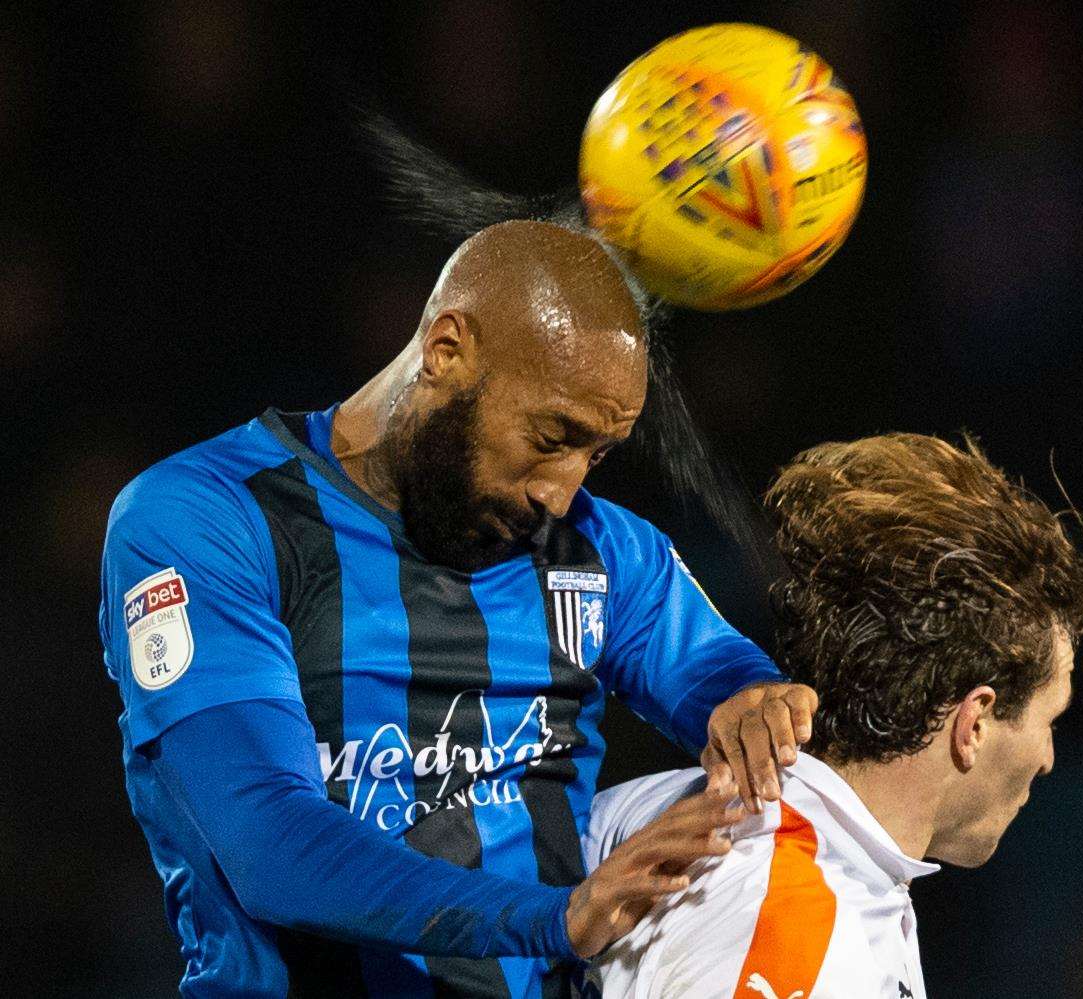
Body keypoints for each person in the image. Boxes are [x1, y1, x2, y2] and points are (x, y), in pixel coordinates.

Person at [98, 219, 818, 998]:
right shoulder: (204, 521)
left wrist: (758, 702)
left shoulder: (602, 554)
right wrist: (556, 916)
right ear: (446, 349)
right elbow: (266, 839)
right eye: (552, 436)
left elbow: (721, 677)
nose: (562, 489)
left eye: (597, 453)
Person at [582, 433, 1083, 999]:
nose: (1049, 758)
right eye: (1049, 720)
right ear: (975, 723)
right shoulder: (798, 928)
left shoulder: (782, 849)